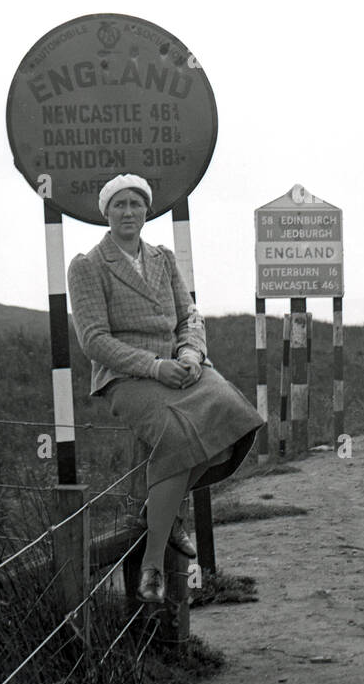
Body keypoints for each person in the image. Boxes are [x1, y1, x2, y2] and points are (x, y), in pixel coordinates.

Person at [67, 174, 264, 604]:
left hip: (181, 367)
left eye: (137, 204)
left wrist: (191, 356)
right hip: (128, 378)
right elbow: (94, 340)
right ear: (107, 212)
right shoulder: (88, 266)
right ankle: (153, 564)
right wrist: (156, 367)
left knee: (232, 415)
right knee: (176, 438)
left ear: (147, 211)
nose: (129, 212)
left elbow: (190, 317)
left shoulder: (163, 258)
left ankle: (162, 511)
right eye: (120, 204)